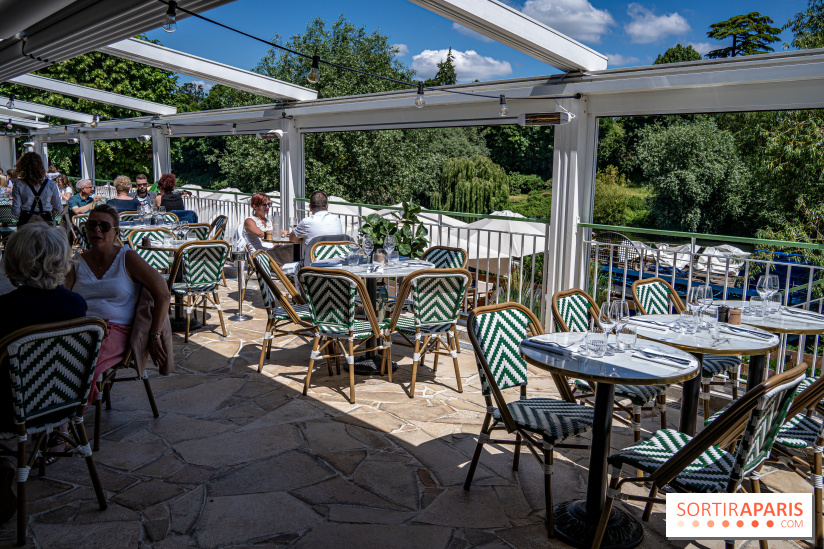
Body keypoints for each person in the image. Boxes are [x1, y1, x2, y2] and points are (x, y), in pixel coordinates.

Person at [0, 223, 88, 511]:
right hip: (64, 405)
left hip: (13, 411)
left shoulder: (5, 310)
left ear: (14, 260)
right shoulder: (76, 306)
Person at [65, 204, 171, 407]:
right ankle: (61, 418)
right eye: (92, 225)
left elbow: (163, 294)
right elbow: (63, 298)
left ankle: (66, 424)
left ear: (116, 232)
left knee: (82, 365)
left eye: (104, 226)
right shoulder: (76, 262)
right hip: (81, 328)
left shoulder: (126, 257)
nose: (97, 230)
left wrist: (154, 334)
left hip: (116, 330)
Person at [10, 152, 62, 227]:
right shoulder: (51, 184)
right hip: (45, 219)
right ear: (40, 166)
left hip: (26, 220)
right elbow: (59, 208)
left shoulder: (18, 184)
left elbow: (15, 211)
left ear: (22, 166)